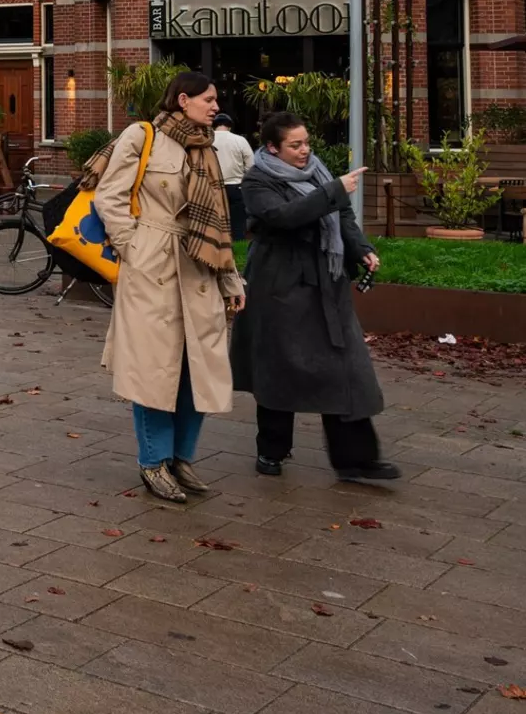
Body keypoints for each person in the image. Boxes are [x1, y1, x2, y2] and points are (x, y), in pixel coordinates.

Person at [88, 71, 244, 504]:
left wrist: (230, 278)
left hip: (200, 269)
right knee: (155, 369)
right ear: (182, 100)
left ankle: (181, 458)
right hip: (153, 266)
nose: (215, 107)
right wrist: (134, 247)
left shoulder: (207, 148)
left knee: (199, 370)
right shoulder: (143, 137)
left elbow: (219, 222)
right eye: (208, 99)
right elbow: (109, 198)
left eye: (216, 100)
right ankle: (153, 462)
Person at [232, 112, 396, 482]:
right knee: (279, 368)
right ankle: (271, 450)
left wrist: (360, 250)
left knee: (346, 369)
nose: (305, 150)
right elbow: (284, 216)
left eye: (307, 142)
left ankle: (356, 459)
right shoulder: (257, 179)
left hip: (328, 283)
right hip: (280, 286)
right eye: (296, 145)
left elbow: (342, 219)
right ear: (272, 147)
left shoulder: (320, 173)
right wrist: (333, 191)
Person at [212, 112, 254, 243]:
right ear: (229, 126)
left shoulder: (207, 139)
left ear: (214, 126)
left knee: (216, 224)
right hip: (236, 186)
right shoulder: (240, 140)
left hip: (213, 187)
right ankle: (239, 251)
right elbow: (251, 165)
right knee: (237, 224)